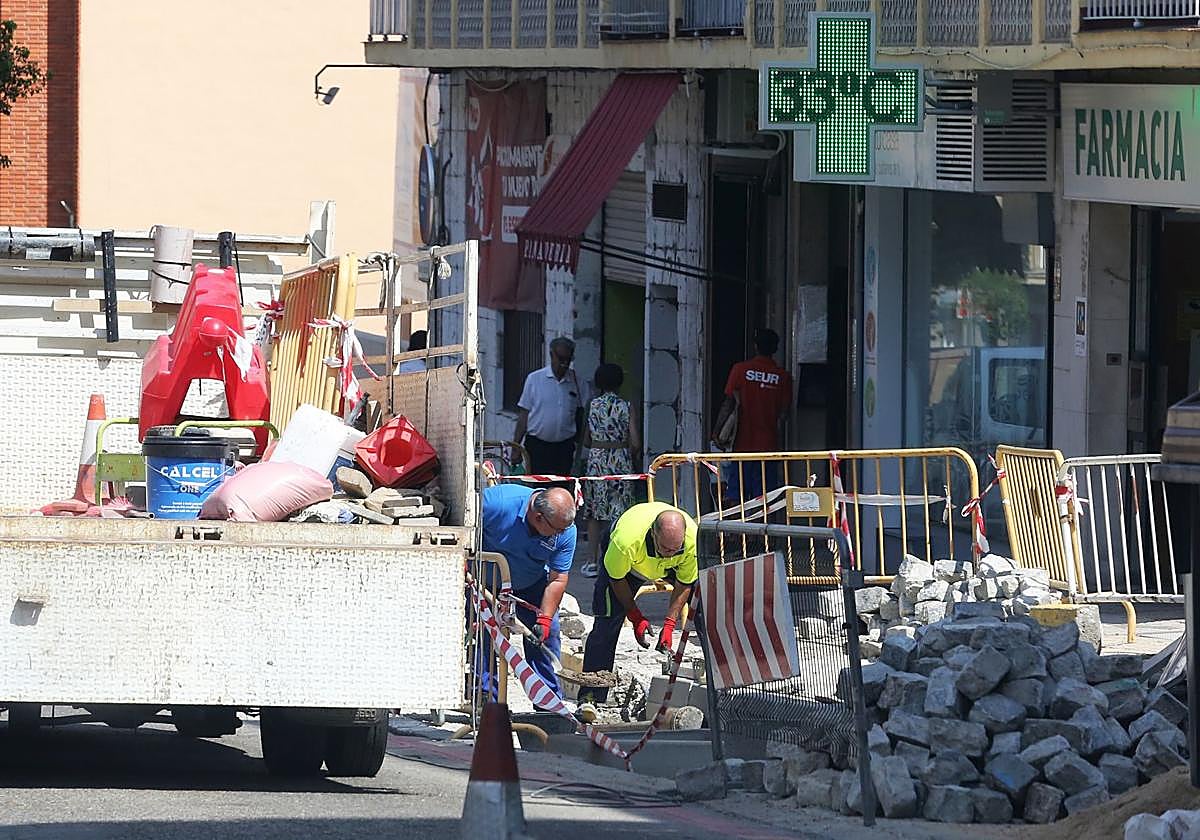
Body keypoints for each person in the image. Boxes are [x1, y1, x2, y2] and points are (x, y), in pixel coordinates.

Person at [579, 502, 697, 707]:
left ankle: (716, 683)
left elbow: (684, 583)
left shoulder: (691, 542)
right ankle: (591, 695)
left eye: (674, 549)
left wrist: (669, 624)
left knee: (703, 606)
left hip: (668, 569)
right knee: (607, 620)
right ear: (653, 534)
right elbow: (617, 580)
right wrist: (635, 616)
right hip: (628, 564)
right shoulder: (624, 542)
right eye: (665, 548)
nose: (670, 552)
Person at [481, 483, 577, 702]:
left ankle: (548, 703)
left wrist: (543, 619)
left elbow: (558, 578)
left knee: (545, 635)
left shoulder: (566, 530)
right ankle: (486, 700)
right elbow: (460, 527)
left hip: (530, 584)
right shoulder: (497, 504)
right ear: (538, 517)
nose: (562, 534)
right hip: (483, 581)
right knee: (482, 635)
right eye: (558, 530)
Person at [710, 328, 792, 505]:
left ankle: (735, 532)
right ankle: (760, 533)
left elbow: (728, 403)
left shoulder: (740, 370)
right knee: (764, 499)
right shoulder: (783, 377)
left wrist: (717, 432)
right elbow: (784, 415)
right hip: (768, 449)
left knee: (735, 496)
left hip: (742, 446)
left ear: (755, 346)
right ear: (775, 349)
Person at [580, 363, 641, 579]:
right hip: (620, 460)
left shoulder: (593, 405)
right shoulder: (626, 405)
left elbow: (586, 440)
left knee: (595, 512)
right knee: (621, 510)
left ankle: (591, 562)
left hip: (597, 461)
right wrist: (628, 452)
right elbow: (635, 441)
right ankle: (618, 560)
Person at [513, 337, 584, 477]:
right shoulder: (534, 379)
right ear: (552, 355)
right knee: (537, 489)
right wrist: (516, 447)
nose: (564, 364)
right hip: (537, 447)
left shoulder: (577, 383)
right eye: (561, 359)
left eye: (568, 360)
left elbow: (583, 414)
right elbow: (524, 416)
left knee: (561, 490)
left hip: (564, 448)